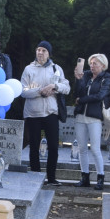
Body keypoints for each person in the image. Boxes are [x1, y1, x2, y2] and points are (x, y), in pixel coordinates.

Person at [21, 41, 69, 186]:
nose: (40, 53)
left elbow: (67, 88)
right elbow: (23, 91)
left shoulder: (56, 68)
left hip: (51, 113)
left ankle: (51, 178)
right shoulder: (28, 69)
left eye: (43, 50)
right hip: (33, 114)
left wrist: (54, 86)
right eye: (38, 50)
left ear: (49, 53)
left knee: (53, 146)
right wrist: (40, 91)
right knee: (34, 146)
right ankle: (35, 176)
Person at [72, 53, 110, 190]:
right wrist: (78, 79)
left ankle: (100, 178)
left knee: (95, 149)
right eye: (91, 63)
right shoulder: (86, 75)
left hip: (94, 117)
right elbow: (77, 93)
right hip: (80, 117)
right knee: (82, 148)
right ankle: (85, 177)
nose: (92, 65)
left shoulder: (106, 78)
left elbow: (100, 96)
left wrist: (82, 100)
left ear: (103, 65)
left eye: (95, 63)